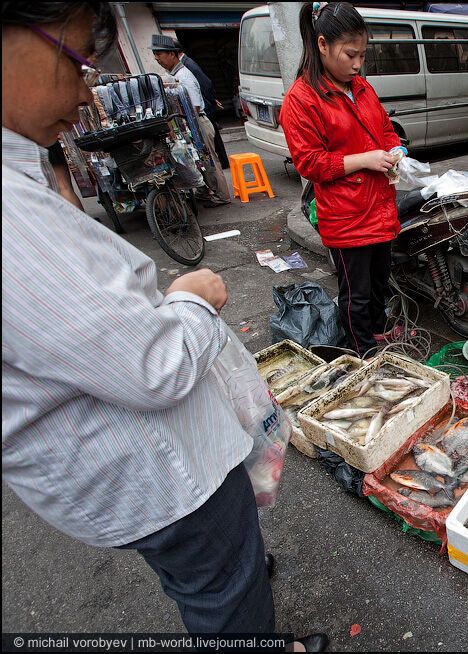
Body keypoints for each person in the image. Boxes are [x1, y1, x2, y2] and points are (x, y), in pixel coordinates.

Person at [2, 4, 325, 650]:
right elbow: (153, 366)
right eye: (75, 60)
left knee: (221, 577)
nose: (88, 88)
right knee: (225, 601)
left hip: (142, 482)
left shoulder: (22, 175)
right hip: (166, 486)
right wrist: (191, 297)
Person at [279, 2, 406, 357]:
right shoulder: (301, 100)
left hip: (380, 207)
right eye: (351, 54)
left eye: (362, 55)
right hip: (346, 217)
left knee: (380, 283)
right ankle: (362, 353)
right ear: (322, 45)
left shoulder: (361, 87)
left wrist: (397, 151)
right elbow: (310, 163)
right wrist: (364, 159)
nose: (357, 64)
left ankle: (379, 337)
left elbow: (384, 129)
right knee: (356, 293)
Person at [151, 34, 231, 208]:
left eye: (159, 53)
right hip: (192, 123)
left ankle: (221, 195)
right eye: (155, 54)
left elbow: (194, 106)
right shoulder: (174, 75)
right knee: (200, 160)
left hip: (199, 122)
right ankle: (205, 191)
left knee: (210, 160)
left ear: (172, 54)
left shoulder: (184, 75)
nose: (157, 58)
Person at [173, 37, 231, 170]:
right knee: (213, 141)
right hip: (204, 104)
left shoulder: (187, 65)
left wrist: (211, 100)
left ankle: (222, 163)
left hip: (204, 107)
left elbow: (205, 83)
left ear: (174, 53)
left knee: (213, 141)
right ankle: (222, 162)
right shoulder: (183, 66)